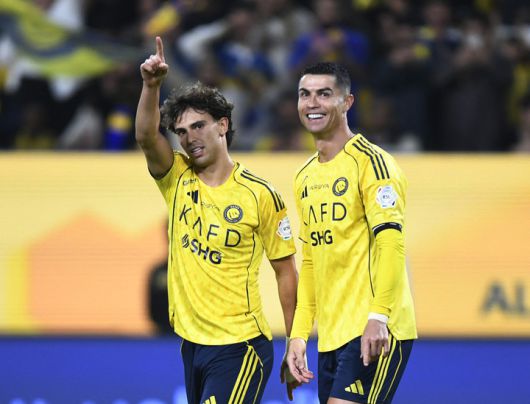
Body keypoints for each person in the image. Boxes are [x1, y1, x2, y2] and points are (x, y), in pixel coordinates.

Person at [136, 36, 300, 402]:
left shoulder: (260, 194)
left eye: (198, 126)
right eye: (181, 132)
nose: (189, 138)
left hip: (240, 346)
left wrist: (296, 341)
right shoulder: (176, 178)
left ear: (222, 125)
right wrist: (151, 86)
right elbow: (146, 136)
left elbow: (285, 272)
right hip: (192, 345)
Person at [285, 62, 417, 404]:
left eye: (324, 94)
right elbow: (311, 262)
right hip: (331, 337)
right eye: (305, 94)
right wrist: (299, 336)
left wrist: (379, 316)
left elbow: (391, 243)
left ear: (347, 102)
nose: (312, 103)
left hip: (376, 328)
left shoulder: (373, 163)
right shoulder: (304, 176)